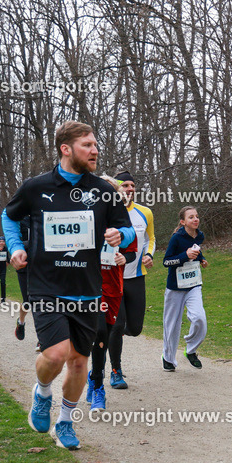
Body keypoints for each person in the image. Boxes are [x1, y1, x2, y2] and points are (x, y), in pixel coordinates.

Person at [2, 120, 134, 450]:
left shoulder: (104, 191)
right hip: (46, 285)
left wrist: (121, 235)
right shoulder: (36, 187)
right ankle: (43, 392)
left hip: (87, 290)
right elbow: (9, 215)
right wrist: (16, 247)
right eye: (87, 145)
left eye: (95, 144)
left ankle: (65, 423)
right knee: (57, 354)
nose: (95, 150)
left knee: (78, 362)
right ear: (66, 149)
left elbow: (128, 229)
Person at [87, 176, 137, 411]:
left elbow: (132, 252)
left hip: (113, 287)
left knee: (104, 335)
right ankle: (98, 386)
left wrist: (122, 257)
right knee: (95, 332)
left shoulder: (121, 223)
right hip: (88, 285)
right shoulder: (85, 218)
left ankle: (94, 376)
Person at [105, 171, 155, 389]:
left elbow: (150, 238)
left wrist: (149, 255)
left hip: (135, 277)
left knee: (134, 329)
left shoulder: (145, 213)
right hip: (111, 280)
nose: (129, 188)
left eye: (132, 185)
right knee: (117, 325)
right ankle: (116, 371)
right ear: (116, 189)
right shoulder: (106, 213)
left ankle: (114, 332)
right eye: (124, 185)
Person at [161, 206, 209, 371]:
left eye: (196, 216)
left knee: (199, 318)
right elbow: (166, 261)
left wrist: (201, 259)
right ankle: (168, 359)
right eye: (191, 217)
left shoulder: (199, 235)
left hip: (193, 285)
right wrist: (184, 256)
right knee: (171, 324)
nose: (195, 219)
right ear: (183, 222)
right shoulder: (176, 238)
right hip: (175, 287)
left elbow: (196, 249)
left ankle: (191, 349)